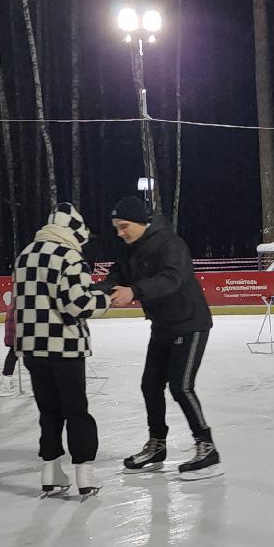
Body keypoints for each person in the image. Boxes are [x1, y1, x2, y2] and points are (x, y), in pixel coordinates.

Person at [100, 196, 221, 480]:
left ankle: (207, 446)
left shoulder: (170, 243)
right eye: (116, 227)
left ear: (141, 221)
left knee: (181, 386)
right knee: (150, 385)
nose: (120, 233)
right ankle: (157, 445)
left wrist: (134, 291)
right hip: (163, 326)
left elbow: (172, 279)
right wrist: (94, 292)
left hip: (190, 322)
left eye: (124, 226)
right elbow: (115, 278)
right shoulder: (130, 248)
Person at [11, 203, 112, 498]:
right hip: (64, 346)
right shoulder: (68, 256)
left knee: (49, 412)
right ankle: (84, 474)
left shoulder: (24, 255)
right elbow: (77, 304)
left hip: (31, 347)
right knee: (76, 410)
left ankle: (51, 471)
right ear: (74, 232)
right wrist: (104, 300)